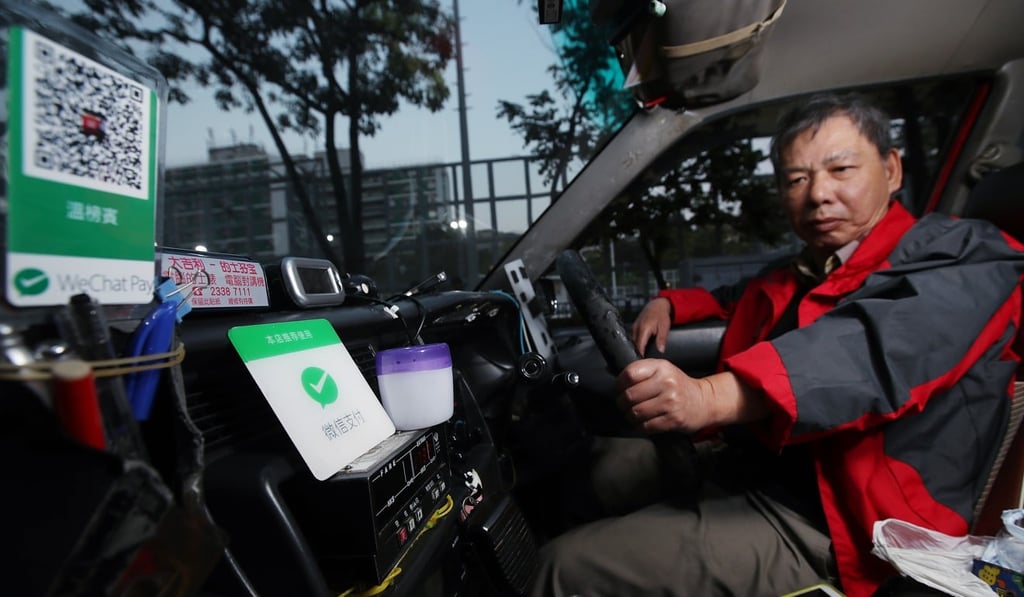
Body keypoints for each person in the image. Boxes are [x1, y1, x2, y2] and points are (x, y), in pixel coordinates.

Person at [529, 93, 1024, 597]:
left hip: (840, 524)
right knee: (581, 476)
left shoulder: (973, 256)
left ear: (891, 169)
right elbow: (744, 298)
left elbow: (872, 349)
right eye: (796, 179)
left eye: (841, 169)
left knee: (560, 568)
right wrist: (670, 303)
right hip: (749, 465)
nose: (819, 195)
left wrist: (708, 397)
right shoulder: (811, 267)